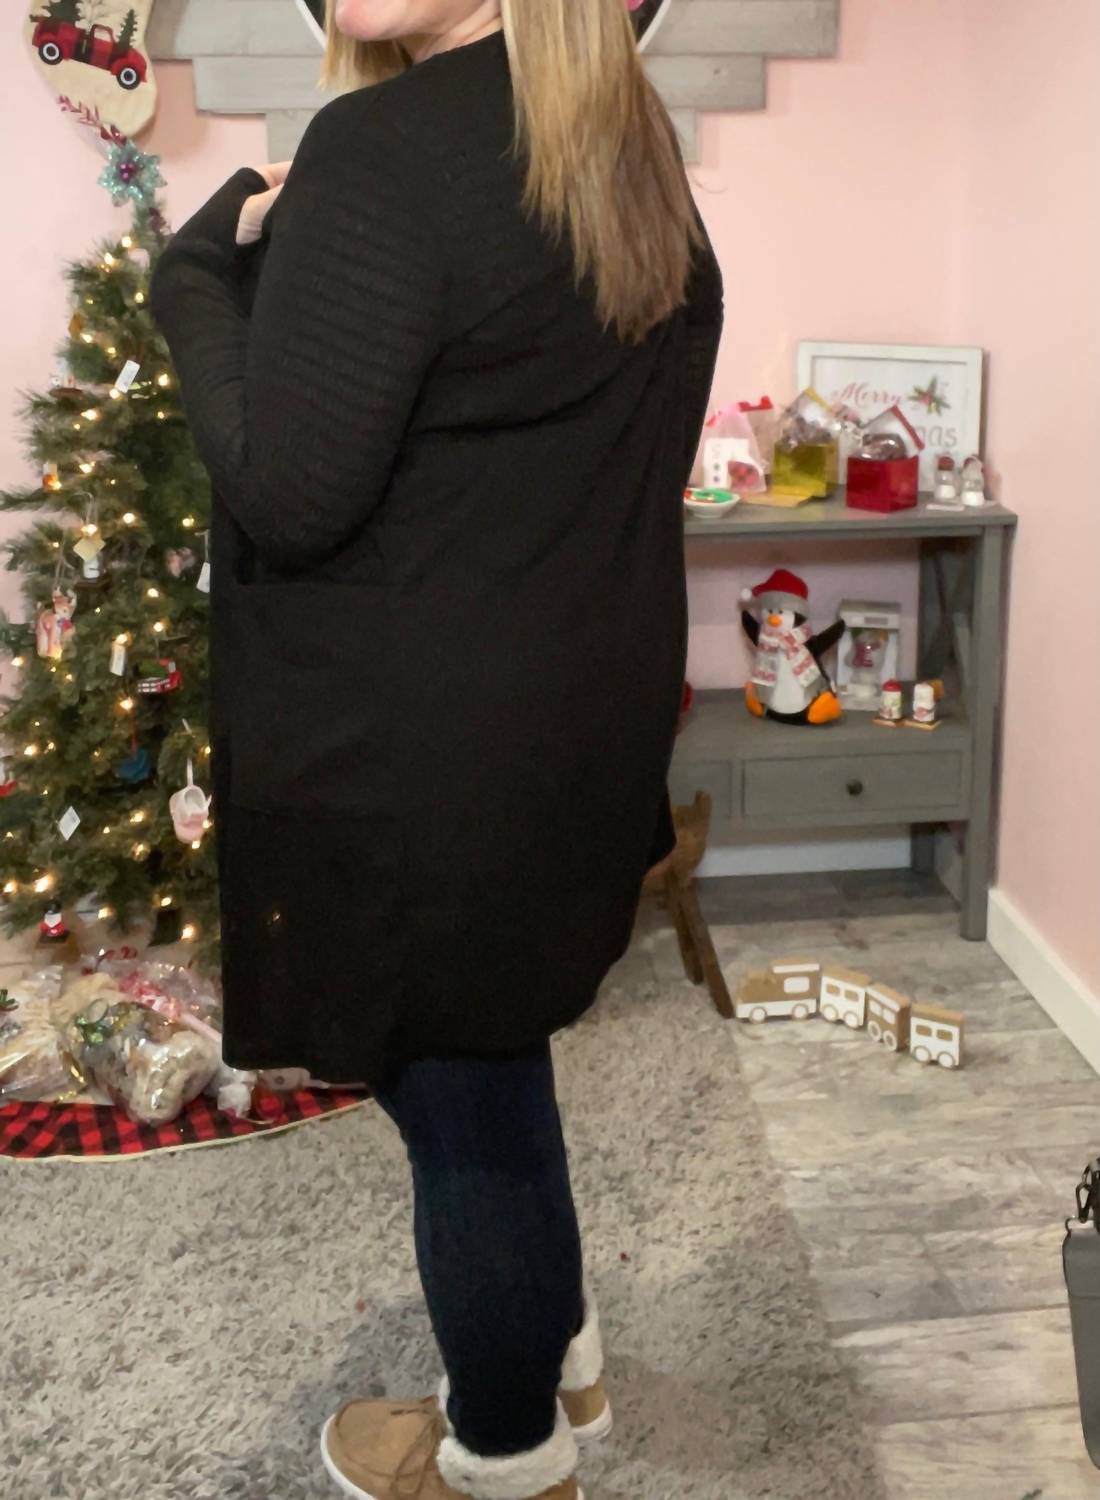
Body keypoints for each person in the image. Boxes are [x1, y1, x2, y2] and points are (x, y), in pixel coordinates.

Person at [149, 1, 723, 1496]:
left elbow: (288, 490)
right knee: (498, 1063)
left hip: (424, 763)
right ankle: (558, 1365)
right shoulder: (617, 140)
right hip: (566, 729)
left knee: (464, 1114)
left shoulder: (384, 149)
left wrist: (195, 269)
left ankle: (509, 1454)